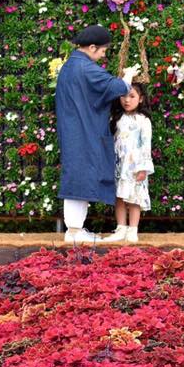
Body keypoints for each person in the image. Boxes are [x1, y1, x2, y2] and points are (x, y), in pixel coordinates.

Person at [55, 25, 138, 243]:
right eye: (102, 51)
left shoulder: (71, 66)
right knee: (80, 176)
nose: (103, 55)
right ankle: (73, 232)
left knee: (78, 174)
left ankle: (75, 229)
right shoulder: (85, 67)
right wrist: (127, 77)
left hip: (75, 128)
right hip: (82, 130)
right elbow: (115, 87)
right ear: (91, 47)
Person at [107, 83, 154, 243]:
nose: (127, 100)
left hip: (135, 166)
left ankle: (133, 229)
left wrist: (143, 168)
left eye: (132, 96)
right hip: (119, 165)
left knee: (135, 197)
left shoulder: (143, 121)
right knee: (119, 196)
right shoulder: (116, 118)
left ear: (140, 99)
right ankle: (121, 228)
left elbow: (146, 145)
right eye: (124, 96)